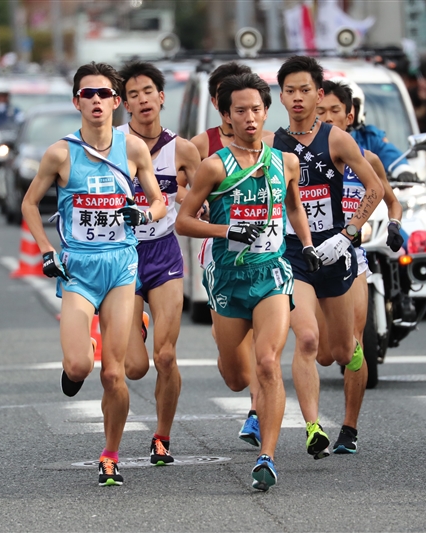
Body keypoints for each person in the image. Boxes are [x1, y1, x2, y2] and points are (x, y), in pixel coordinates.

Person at [20, 62, 167, 487]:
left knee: (113, 373)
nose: (97, 101)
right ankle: (79, 348)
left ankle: (109, 453)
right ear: (77, 102)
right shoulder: (61, 153)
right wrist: (46, 251)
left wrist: (142, 212)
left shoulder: (134, 149)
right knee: (81, 366)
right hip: (79, 270)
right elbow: (30, 204)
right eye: (88, 94)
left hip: (121, 266)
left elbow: (159, 204)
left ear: (116, 102)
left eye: (104, 94)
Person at [176, 72, 321, 491]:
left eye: (257, 109)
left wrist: (307, 245)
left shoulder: (285, 161)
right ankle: (245, 393)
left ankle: (267, 456)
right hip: (227, 278)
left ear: (265, 111)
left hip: (272, 273)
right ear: (226, 116)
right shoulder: (212, 167)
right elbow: (184, 221)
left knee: (268, 363)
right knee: (237, 376)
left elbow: (295, 209)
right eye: (240, 111)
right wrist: (227, 232)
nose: (250, 118)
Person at [269, 55, 383, 460]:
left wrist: (348, 234)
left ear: (319, 94)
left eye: (305, 90)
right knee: (309, 340)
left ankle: (349, 426)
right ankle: (314, 428)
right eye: (290, 91)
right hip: (296, 255)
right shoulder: (272, 144)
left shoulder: (336, 139)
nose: (298, 98)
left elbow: (375, 189)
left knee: (343, 349)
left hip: (336, 254)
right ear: (280, 96)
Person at [116, 60, 201, 465]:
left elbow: (208, 194)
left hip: (163, 254)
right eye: (133, 94)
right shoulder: (112, 145)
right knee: (133, 367)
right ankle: (139, 321)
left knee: (165, 357)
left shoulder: (182, 149)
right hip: (123, 257)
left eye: (148, 91)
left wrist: (189, 200)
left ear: (161, 97)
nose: (142, 99)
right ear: (125, 104)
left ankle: (162, 436)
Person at [315, 79, 404, 453]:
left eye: (335, 111)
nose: (328, 117)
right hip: (312, 259)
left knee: (351, 346)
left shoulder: (367, 160)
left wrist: (396, 224)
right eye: (322, 112)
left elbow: (390, 199)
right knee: (322, 352)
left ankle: (348, 429)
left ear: (350, 115)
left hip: (353, 259)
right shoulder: (308, 159)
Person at [190, 60, 265, 448]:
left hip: (266, 256)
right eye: (230, 102)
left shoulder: (268, 142)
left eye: (250, 105)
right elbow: (186, 199)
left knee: (266, 345)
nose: (243, 114)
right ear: (220, 105)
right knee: (234, 365)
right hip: (219, 252)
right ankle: (229, 355)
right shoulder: (203, 146)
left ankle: (257, 414)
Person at [190, 62, 254, 159]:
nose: (233, 101)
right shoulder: (200, 145)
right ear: (214, 102)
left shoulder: (269, 142)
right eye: (225, 95)